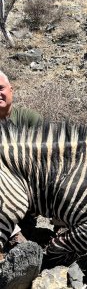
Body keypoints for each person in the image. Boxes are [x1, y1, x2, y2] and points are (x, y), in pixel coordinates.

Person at [0, 70, 42, 241]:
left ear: (11, 90)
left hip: (32, 189)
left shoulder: (30, 119)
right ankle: (14, 233)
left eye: (0, 88)